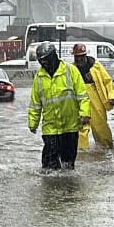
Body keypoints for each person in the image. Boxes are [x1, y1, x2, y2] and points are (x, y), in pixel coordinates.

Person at [28, 42, 91, 170]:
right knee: (49, 166)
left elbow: (82, 96)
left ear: (53, 56)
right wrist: (32, 123)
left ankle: (67, 188)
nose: (44, 63)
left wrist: (85, 114)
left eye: (46, 60)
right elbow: (35, 104)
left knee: (68, 164)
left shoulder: (71, 71)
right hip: (50, 128)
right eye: (41, 61)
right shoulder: (39, 78)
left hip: (70, 127)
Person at [72, 44, 114, 148]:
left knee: (101, 127)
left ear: (85, 55)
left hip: (96, 101)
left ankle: (106, 147)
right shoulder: (72, 69)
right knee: (81, 129)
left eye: (81, 56)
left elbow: (107, 81)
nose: (79, 59)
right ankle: (82, 153)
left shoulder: (96, 66)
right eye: (77, 57)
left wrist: (111, 96)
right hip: (80, 101)